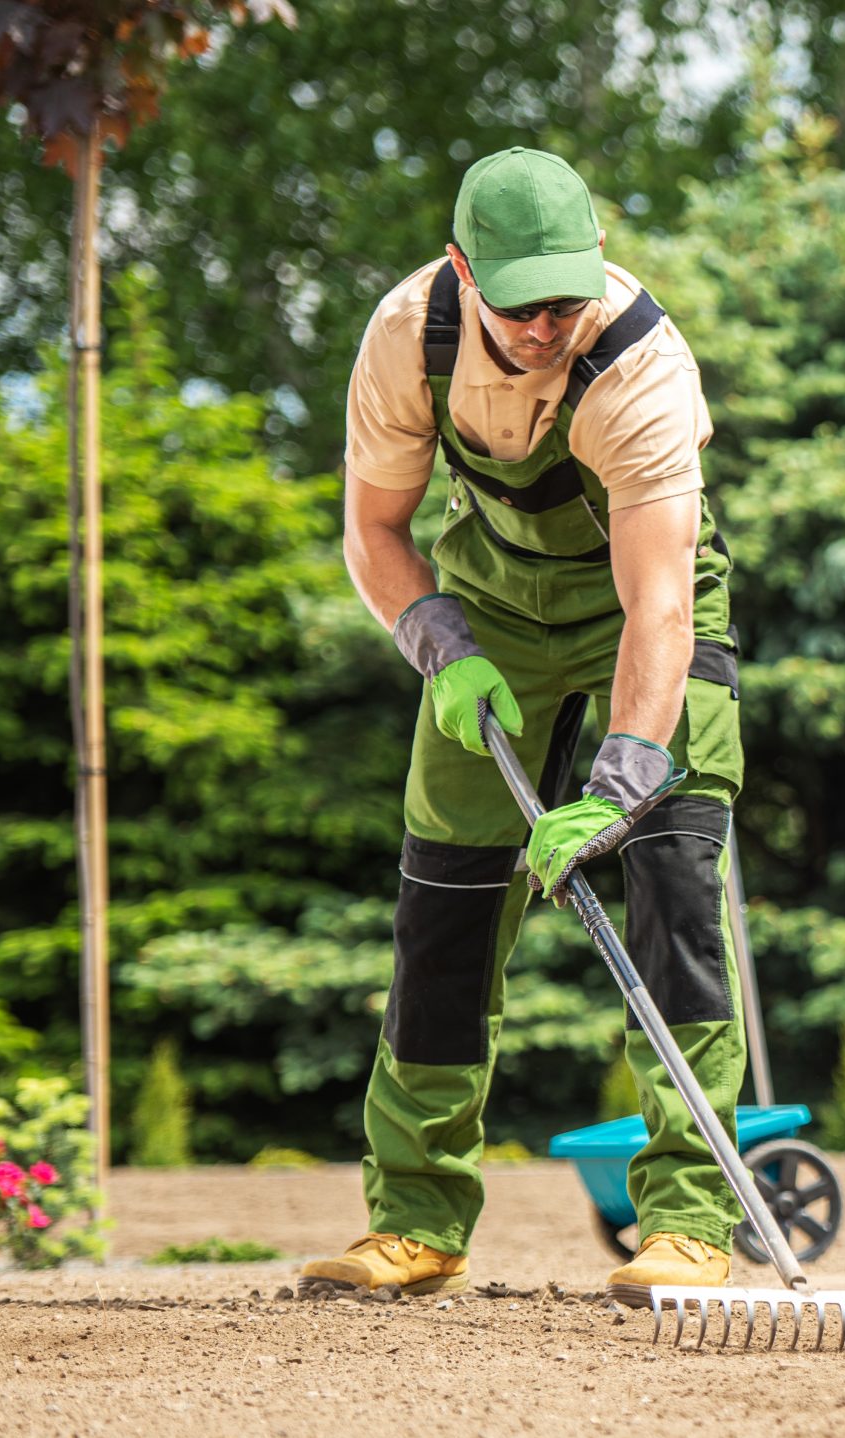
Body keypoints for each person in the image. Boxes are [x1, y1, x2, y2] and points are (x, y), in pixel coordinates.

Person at [298, 146, 745, 1301]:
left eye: (566, 297)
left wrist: (624, 774)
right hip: (489, 607)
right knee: (444, 902)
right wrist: (439, 647)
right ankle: (418, 1222)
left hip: (649, 616)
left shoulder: (638, 362)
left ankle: (692, 1221)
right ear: (462, 270)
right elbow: (375, 534)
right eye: (521, 304)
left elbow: (656, 603)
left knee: (673, 886)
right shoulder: (408, 338)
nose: (548, 325)